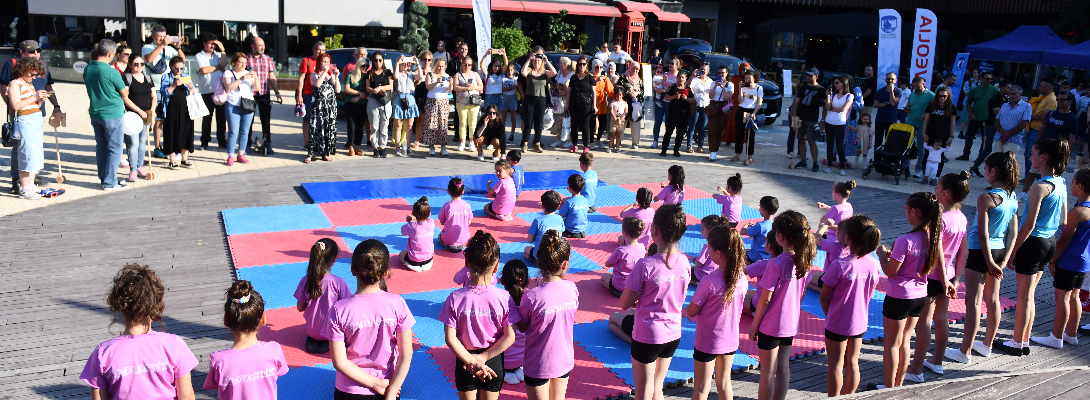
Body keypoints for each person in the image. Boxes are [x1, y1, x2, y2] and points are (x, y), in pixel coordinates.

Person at [609, 204, 691, 400]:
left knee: (643, 392)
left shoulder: (645, 265)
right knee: (657, 388)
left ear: (654, 230)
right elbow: (679, 296)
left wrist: (638, 299)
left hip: (648, 335)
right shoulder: (685, 261)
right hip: (673, 333)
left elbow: (624, 304)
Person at [79, 264, 198, 399]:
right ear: (156, 306)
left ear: (120, 306)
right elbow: (186, 397)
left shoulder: (103, 353)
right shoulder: (174, 345)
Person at [947, 151, 1018, 362]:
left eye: (985, 169)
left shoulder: (986, 198)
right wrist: (1003, 260)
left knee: (974, 302)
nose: (985, 172)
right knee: (993, 300)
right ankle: (987, 344)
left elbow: (982, 233)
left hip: (981, 253)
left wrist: (989, 262)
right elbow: (1013, 231)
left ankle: (965, 351)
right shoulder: (1012, 197)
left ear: (992, 172)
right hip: (999, 250)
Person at [1002, 138, 1070, 356]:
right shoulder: (1061, 182)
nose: (1029, 157)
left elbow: (1029, 224)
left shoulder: (1039, 187)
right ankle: (1023, 340)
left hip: (1033, 243)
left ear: (1043, 157)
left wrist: (1013, 251)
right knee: (1029, 294)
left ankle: (1017, 342)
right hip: (1049, 241)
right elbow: (1063, 220)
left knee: (1023, 296)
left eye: (1032, 153)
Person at [325, 240, 414, 399]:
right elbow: (406, 354)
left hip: (349, 391)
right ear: (385, 272)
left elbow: (340, 362)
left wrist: (374, 384)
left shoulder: (339, 309)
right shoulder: (398, 304)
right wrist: (392, 392)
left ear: (353, 270)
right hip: (388, 388)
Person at [873, 192, 944, 390]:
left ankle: (888, 389)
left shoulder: (905, 240)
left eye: (906, 209)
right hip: (920, 295)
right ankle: (899, 384)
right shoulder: (933, 238)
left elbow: (890, 272)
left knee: (891, 344)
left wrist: (881, 255)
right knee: (905, 341)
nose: (905, 212)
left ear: (913, 212)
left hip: (899, 296)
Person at [905, 173, 969, 383]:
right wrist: (956, 279)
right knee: (941, 319)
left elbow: (937, 251)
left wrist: (943, 280)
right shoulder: (961, 217)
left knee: (924, 321)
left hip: (935, 277)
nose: (934, 191)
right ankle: (937, 361)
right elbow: (964, 251)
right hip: (949, 275)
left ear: (945, 194)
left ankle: (916, 369)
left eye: (936, 188)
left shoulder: (940, 219)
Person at [441, 231, 516, 399]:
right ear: (496, 267)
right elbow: (510, 336)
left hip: (466, 361)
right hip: (493, 360)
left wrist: (472, 361)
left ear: (467, 262)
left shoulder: (455, 298)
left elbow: (450, 338)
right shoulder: (504, 298)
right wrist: (484, 357)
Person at [750, 211, 816, 400]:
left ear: (779, 236)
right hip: (789, 325)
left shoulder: (775, 263)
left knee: (767, 371)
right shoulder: (804, 262)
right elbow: (801, 295)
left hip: (770, 325)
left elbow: (765, 299)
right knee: (783, 367)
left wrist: (754, 326)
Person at [821, 215, 881, 396]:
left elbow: (824, 296)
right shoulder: (874, 264)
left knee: (835, 364)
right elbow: (870, 293)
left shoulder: (840, 265)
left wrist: (830, 315)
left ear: (847, 237)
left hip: (837, 323)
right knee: (853, 362)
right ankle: (849, 396)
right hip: (859, 322)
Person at [686, 226, 747, 400]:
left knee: (701, 388)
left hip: (708, 341)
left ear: (718, 253)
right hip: (730, 340)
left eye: (709, 250)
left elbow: (692, 311)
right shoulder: (742, 278)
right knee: (725, 384)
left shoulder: (709, 281)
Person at [518, 230, 578, 400]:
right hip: (563, 359)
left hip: (538, 363)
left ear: (539, 261)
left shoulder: (531, 296)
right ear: (565, 265)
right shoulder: (572, 289)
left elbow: (522, 326)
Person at [1033, 169, 1090, 349]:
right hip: (1083, 261)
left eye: (1073, 182)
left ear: (1080, 186)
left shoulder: (1077, 212)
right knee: (1075, 296)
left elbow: (1065, 239)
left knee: (1062, 298)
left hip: (1070, 260)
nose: (1071, 185)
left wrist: (1052, 260)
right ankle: (1071, 334)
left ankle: (1056, 337)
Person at [204, 281, 289, 398]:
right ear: (263, 319)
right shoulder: (274, 350)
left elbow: (216, 386)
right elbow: (274, 377)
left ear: (226, 321)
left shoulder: (219, 360)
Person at [1, 40, 61, 194]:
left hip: (37, 112)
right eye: (31, 51)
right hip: (22, 113)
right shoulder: (12, 65)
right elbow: (4, 88)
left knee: (33, 148)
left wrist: (55, 104)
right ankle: (18, 179)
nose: (35, 53)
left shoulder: (42, 67)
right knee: (20, 148)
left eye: (38, 50)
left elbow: (49, 87)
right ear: (22, 52)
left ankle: (31, 178)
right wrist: (12, 108)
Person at [294, 238, 349, 354]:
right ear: (334, 259)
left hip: (312, 331)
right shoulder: (339, 282)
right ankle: (328, 341)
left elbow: (300, 307)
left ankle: (315, 340)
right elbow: (348, 309)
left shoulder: (305, 281)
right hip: (331, 331)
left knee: (312, 347)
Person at [6, 57, 48, 199]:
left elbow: (33, 106)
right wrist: (35, 96)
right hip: (25, 121)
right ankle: (24, 188)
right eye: (32, 74)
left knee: (34, 154)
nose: (34, 77)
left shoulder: (29, 84)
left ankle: (30, 185)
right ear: (23, 70)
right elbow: (16, 105)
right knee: (27, 153)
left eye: (36, 75)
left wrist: (40, 101)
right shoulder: (15, 84)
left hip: (35, 119)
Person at [142, 26, 183, 157]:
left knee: (170, 118)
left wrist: (178, 48)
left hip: (169, 88)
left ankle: (170, 145)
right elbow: (149, 59)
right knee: (159, 119)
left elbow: (181, 61)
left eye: (164, 36)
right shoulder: (147, 47)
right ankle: (157, 146)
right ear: (153, 36)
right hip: (155, 89)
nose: (162, 39)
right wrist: (162, 45)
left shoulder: (169, 49)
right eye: (159, 36)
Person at [1019, 78, 1058, 198]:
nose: (1039, 88)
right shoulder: (1042, 98)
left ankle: (1040, 180)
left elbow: (1043, 117)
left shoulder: (1051, 100)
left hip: (1038, 130)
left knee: (1033, 156)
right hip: (1032, 129)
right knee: (1027, 155)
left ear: (1047, 87)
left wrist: (1027, 116)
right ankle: (1028, 177)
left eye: (1041, 86)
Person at [120, 53, 155, 182]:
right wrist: (139, 111)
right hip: (132, 115)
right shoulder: (127, 78)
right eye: (136, 64)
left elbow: (153, 95)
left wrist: (152, 110)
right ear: (130, 65)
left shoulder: (148, 77)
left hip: (146, 114)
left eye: (142, 64)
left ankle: (139, 166)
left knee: (142, 142)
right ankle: (133, 169)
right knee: (133, 143)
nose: (139, 66)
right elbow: (125, 98)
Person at [971, 79, 1014, 177]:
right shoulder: (995, 99)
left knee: (998, 149)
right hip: (991, 126)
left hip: (1000, 127)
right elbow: (998, 113)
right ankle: (974, 168)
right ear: (1001, 87)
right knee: (987, 149)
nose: (1009, 90)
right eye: (1008, 88)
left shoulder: (1006, 99)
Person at [159, 56, 195, 171]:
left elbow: (193, 92)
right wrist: (174, 84)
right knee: (171, 132)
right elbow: (164, 93)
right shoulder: (166, 77)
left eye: (181, 68)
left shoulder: (186, 76)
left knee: (186, 132)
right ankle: (172, 160)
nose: (179, 71)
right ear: (171, 67)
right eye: (176, 68)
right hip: (172, 108)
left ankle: (184, 159)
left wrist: (191, 86)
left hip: (186, 108)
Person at [247, 37, 282, 156]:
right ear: (252, 46)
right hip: (249, 94)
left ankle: (267, 144)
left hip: (264, 93)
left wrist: (277, 92)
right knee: (248, 120)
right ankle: (247, 144)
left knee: (266, 121)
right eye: (259, 45)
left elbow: (271, 76)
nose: (262, 47)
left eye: (263, 45)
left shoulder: (267, 59)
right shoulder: (246, 59)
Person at [221, 53, 256, 166]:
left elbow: (257, 89)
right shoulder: (228, 73)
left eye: (245, 63)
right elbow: (228, 87)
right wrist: (241, 79)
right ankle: (230, 155)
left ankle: (241, 154)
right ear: (234, 62)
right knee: (233, 131)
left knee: (245, 131)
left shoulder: (249, 74)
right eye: (240, 62)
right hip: (233, 104)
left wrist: (256, 78)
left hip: (248, 104)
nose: (242, 65)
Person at [500, 259, 530, 385]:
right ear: (528, 281)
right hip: (524, 358)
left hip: (500, 359)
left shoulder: (498, 301)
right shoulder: (531, 300)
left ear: (502, 281)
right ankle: (517, 368)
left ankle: (505, 372)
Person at [194, 33, 226, 150]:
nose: (213, 46)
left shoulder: (218, 55)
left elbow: (224, 64)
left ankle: (222, 140)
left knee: (221, 118)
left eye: (214, 44)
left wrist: (222, 49)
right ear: (204, 44)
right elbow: (204, 70)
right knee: (207, 117)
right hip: (206, 90)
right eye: (210, 44)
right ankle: (204, 141)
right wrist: (218, 67)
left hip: (220, 91)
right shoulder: (199, 56)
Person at [918, 86, 956, 184]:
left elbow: (952, 123)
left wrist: (951, 136)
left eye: (944, 96)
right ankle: (925, 175)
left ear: (948, 96)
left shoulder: (951, 107)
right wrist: (923, 133)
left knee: (940, 156)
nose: (942, 98)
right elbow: (926, 120)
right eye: (940, 96)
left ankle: (936, 177)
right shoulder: (932, 105)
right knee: (927, 154)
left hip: (943, 134)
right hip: (931, 133)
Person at [522, 47, 557, 152]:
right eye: (535, 60)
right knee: (528, 122)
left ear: (541, 62)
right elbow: (523, 72)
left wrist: (547, 61)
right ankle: (525, 143)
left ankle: (537, 143)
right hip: (529, 99)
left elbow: (554, 73)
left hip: (541, 99)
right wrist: (529, 59)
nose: (536, 62)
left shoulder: (544, 72)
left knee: (539, 123)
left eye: (538, 60)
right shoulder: (529, 71)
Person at [307, 53, 340, 163]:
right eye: (324, 61)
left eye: (328, 62)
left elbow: (338, 90)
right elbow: (317, 84)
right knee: (315, 129)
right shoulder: (314, 74)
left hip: (329, 107)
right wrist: (324, 72)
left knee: (328, 129)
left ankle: (326, 153)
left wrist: (336, 76)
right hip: (318, 106)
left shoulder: (331, 76)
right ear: (319, 63)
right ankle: (311, 153)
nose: (326, 64)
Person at [295, 41, 329, 150]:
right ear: (313, 50)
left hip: (322, 96)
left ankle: (318, 142)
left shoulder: (325, 62)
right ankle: (307, 143)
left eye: (323, 50)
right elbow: (301, 79)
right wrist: (299, 95)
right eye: (318, 49)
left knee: (320, 120)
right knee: (307, 120)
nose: (321, 52)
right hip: (308, 94)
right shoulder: (307, 61)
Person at [958, 72, 998, 161]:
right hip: (975, 117)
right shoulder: (975, 90)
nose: (989, 80)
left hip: (987, 118)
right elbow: (968, 103)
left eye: (991, 79)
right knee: (969, 136)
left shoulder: (994, 90)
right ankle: (965, 154)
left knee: (985, 138)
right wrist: (970, 113)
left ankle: (981, 156)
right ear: (981, 79)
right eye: (987, 79)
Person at [603, 217, 646, 297]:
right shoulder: (642, 247)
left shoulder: (621, 250)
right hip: (635, 285)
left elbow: (607, 264)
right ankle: (627, 294)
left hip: (620, 284)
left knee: (603, 277)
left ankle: (619, 293)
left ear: (625, 233)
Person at [905, 77, 936, 176]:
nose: (915, 88)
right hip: (910, 122)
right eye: (914, 86)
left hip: (923, 125)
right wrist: (907, 108)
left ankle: (919, 169)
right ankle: (905, 167)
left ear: (923, 84)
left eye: (917, 86)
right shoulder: (912, 94)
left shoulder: (931, 95)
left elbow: (935, 109)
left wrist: (927, 114)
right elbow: (908, 105)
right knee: (907, 146)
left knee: (920, 148)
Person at [824, 75, 854, 175]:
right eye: (835, 83)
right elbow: (828, 107)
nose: (835, 85)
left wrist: (833, 109)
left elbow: (843, 109)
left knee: (840, 145)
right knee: (829, 144)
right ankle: (829, 166)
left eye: (837, 83)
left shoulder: (849, 96)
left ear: (843, 83)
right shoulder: (833, 95)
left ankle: (842, 167)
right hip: (829, 121)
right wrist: (828, 96)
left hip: (840, 123)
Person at [422, 58, 452, 155]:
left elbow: (449, 90)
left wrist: (451, 83)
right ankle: (431, 146)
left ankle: (443, 146)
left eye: (442, 66)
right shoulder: (430, 74)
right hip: (432, 101)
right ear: (435, 65)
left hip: (443, 101)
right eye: (439, 66)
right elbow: (428, 86)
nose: (440, 68)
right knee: (431, 123)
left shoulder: (446, 76)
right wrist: (436, 82)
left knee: (443, 123)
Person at [342, 47, 371, 151]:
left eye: (367, 66)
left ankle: (357, 147)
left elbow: (368, 91)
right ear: (358, 65)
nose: (365, 67)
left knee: (360, 126)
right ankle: (350, 146)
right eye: (363, 65)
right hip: (350, 103)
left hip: (362, 103)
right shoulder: (350, 74)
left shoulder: (367, 76)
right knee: (351, 125)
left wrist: (358, 97)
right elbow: (346, 89)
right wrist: (359, 93)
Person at [660, 70, 693, 158]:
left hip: (684, 114)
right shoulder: (673, 87)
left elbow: (693, 100)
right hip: (673, 113)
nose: (681, 79)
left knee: (680, 133)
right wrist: (674, 96)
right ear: (677, 78)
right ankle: (664, 149)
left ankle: (676, 150)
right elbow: (666, 97)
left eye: (682, 77)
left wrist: (686, 99)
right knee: (669, 132)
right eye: (679, 77)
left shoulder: (688, 88)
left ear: (685, 79)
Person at [454, 56, 483, 153]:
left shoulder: (475, 74)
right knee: (462, 123)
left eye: (469, 64)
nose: (467, 66)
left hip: (474, 102)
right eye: (465, 64)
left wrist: (474, 87)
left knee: (473, 123)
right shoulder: (458, 75)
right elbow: (455, 87)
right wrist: (466, 88)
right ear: (462, 64)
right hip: (461, 103)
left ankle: (471, 142)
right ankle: (462, 143)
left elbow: (481, 86)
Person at [567, 56, 596, 154]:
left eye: (584, 64)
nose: (582, 66)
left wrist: (594, 105)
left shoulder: (590, 77)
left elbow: (593, 92)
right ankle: (574, 144)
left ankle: (585, 145)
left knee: (585, 125)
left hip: (586, 104)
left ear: (587, 65)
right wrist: (567, 103)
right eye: (580, 64)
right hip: (574, 104)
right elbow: (569, 91)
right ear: (577, 65)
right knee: (574, 125)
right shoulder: (573, 77)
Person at [993, 85, 1031, 160]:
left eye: (1013, 94)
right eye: (1009, 94)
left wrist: (1007, 135)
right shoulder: (1004, 105)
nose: (1011, 96)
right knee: (996, 161)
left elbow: (1024, 124)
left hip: (1013, 140)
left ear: (1020, 94)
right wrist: (1002, 133)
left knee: (1009, 163)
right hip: (999, 137)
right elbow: (997, 121)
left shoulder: (1026, 106)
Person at [734, 70, 763, 165]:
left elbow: (759, 103)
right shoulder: (743, 87)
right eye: (745, 78)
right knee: (739, 134)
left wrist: (754, 113)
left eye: (749, 78)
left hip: (751, 111)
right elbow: (740, 101)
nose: (747, 80)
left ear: (754, 78)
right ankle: (737, 154)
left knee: (751, 135)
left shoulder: (759, 88)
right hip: (741, 110)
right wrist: (740, 89)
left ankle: (750, 156)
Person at [705, 65, 733, 161]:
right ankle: (712, 152)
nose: (721, 74)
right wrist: (715, 86)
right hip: (713, 106)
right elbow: (710, 96)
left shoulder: (730, 84)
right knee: (712, 129)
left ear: (727, 73)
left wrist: (723, 88)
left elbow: (728, 98)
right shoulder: (713, 83)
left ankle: (715, 150)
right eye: (719, 73)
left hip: (723, 107)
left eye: (723, 73)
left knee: (720, 130)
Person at [692, 215, 728, 283]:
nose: (701, 231)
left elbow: (698, 264)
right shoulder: (722, 244)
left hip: (703, 274)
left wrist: (695, 261)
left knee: (686, 272)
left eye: (703, 229)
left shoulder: (708, 246)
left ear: (711, 230)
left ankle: (697, 282)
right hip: (716, 274)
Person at [616, 61, 643, 149]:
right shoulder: (623, 77)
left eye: (637, 69)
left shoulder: (639, 79)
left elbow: (642, 91)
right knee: (622, 123)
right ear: (630, 67)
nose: (635, 70)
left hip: (635, 105)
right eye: (633, 68)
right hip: (624, 103)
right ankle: (618, 141)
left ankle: (635, 143)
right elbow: (619, 88)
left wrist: (637, 93)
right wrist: (629, 93)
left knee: (635, 124)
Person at [870, 73, 899, 154]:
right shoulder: (880, 91)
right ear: (885, 79)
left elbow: (893, 103)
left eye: (892, 79)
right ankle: (877, 159)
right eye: (888, 78)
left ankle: (887, 159)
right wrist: (886, 103)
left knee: (889, 141)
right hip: (880, 119)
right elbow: (875, 105)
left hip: (891, 120)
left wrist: (891, 91)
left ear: (895, 80)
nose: (890, 80)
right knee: (878, 141)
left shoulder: (898, 91)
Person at [687, 64, 713, 154]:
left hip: (706, 107)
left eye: (704, 69)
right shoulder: (695, 80)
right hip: (696, 106)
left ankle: (700, 146)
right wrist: (692, 75)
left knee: (702, 127)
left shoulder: (710, 81)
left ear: (708, 71)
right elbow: (688, 85)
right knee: (692, 126)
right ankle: (689, 145)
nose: (702, 70)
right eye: (701, 69)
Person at [591, 59, 615, 150]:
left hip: (602, 101)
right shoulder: (590, 76)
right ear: (593, 67)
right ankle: (591, 141)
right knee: (592, 122)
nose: (599, 69)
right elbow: (588, 87)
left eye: (601, 67)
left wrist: (618, 96)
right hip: (593, 101)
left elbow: (610, 90)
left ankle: (598, 139)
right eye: (597, 67)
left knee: (603, 122)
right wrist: (597, 80)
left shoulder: (604, 77)